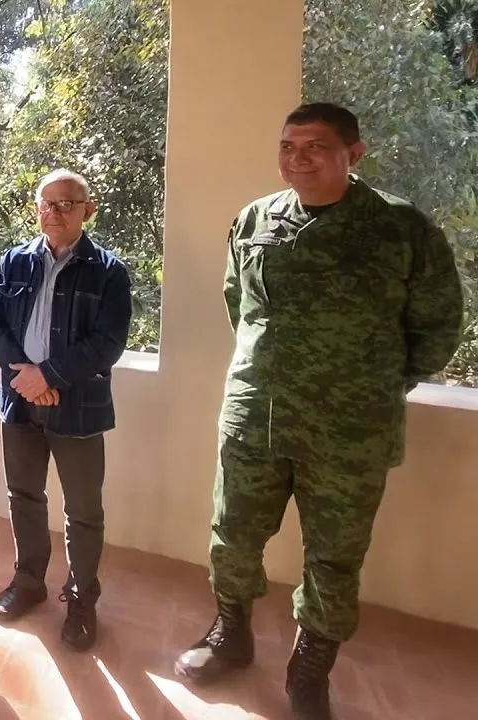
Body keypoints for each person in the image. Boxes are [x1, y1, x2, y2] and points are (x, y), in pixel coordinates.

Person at [174, 103, 464, 720]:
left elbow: (438, 327)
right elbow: (239, 304)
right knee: (233, 536)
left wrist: (372, 384)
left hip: (350, 431)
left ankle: (309, 671)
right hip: (255, 415)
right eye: (288, 146)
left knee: (334, 557)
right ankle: (230, 633)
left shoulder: (401, 229)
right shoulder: (256, 218)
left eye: (314, 147)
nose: (297, 159)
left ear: (353, 154)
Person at [0, 169, 133, 651]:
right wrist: (25, 377)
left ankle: (82, 599)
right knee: (24, 495)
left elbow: (108, 342)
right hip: (20, 403)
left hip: (77, 407)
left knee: (83, 509)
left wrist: (48, 375)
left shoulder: (108, 271)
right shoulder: (15, 261)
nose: (55, 212)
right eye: (47, 203)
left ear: (88, 209)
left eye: (67, 203)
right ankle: (28, 582)